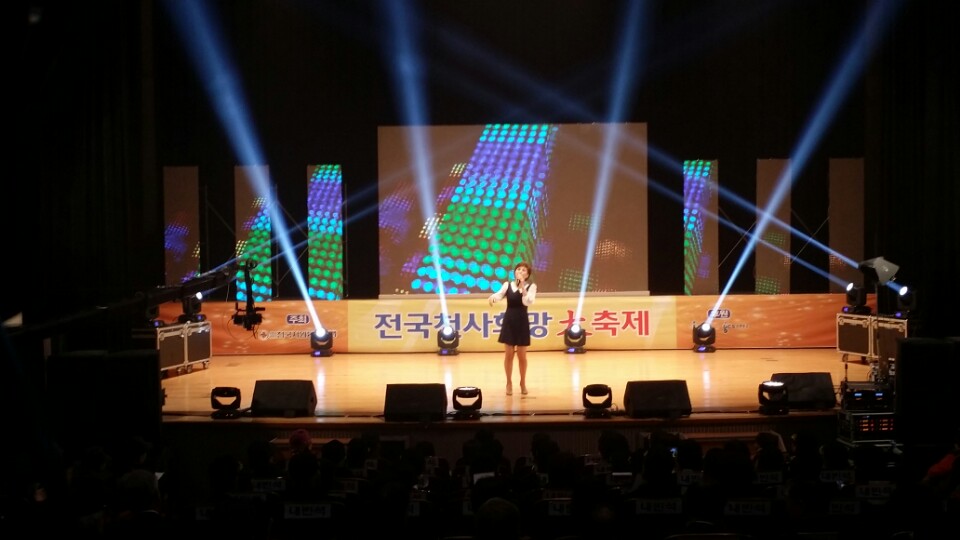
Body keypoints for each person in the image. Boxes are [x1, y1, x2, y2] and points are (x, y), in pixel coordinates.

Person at [488, 261, 537, 395]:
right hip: (509, 321)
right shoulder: (507, 285)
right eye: (518, 269)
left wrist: (523, 288)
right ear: (514, 272)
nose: (520, 271)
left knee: (522, 356)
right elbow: (499, 295)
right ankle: (509, 383)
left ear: (527, 275)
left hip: (522, 321)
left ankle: (523, 382)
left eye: (524, 270)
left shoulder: (531, 287)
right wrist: (492, 298)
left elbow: (528, 301)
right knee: (509, 354)